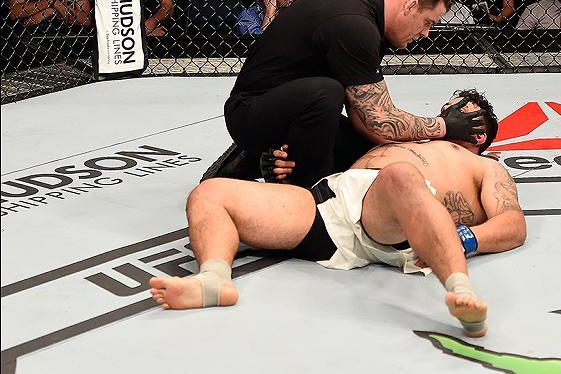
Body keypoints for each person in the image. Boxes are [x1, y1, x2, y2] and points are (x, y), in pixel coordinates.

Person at [150, 89, 527, 338]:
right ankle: (214, 280)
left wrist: (466, 239)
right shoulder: (411, 135)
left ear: (479, 134)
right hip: (335, 203)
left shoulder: (486, 166)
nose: (450, 110)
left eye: (463, 110)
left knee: (399, 175)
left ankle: (461, 295)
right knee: (209, 193)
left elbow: (513, 225)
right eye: (450, 106)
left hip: (390, 216)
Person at [203, 0, 487, 190]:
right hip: (251, 113)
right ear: (410, 5)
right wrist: (444, 127)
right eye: (427, 22)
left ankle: (254, 161)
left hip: (290, 112)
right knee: (326, 93)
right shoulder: (356, 26)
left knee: (373, 154)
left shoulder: (366, 16)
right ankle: (305, 198)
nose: (425, 33)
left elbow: (367, 122)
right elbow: (381, 120)